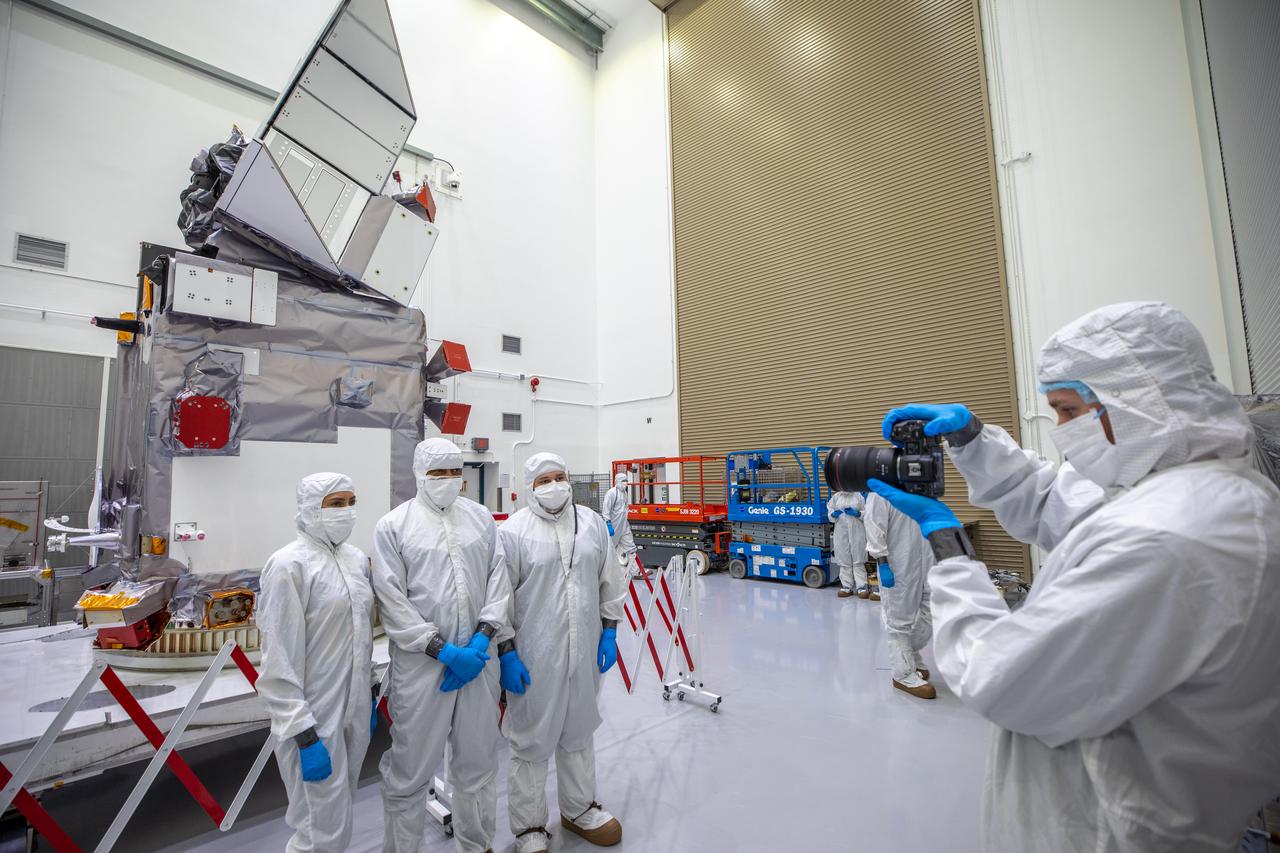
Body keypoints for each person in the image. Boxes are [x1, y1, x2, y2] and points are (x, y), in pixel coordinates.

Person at [871, 301, 1280, 851]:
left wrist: (950, 548)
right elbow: (1048, 503)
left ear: (1135, 403)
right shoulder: (1165, 483)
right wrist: (973, 440)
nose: (1061, 431)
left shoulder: (1174, 535)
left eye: (1066, 411)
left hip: (1115, 827)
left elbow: (1001, 676)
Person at [371, 437, 512, 853]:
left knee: (478, 763)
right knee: (410, 771)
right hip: (422, 670)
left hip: (479, 663)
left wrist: (481, 642)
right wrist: (444, 651)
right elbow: (392, 600)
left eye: (455, 472)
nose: (449, 481)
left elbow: (498, 581)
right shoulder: (394, 526)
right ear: (419, 475)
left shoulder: (481, 518)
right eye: (438, 473)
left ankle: (477, 845)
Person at [497, 453, 628, 853]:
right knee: (530, 739)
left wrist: (609, 632)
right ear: (530, 486)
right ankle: (529, 828)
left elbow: (611, 580)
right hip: (534, 656)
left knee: (579, 731)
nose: (553, 486)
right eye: (543, 480)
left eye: (559, 477)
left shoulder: (589, 524)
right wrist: (506, 652)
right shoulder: (513, 532)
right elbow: (499, 598)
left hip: (586, 650)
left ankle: (579, 810)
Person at [257, 473, 377, 853]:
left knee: (339, 813)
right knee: (316, 825)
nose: (346, 511)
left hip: (353, 708)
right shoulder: (288, 565)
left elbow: (361, 635)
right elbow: (279, 659)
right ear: (310, 509)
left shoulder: (355, 559)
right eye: (335, 504)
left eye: (350, 502)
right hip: (313, 718)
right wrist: (302, 733)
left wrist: (369, 693)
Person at [863, 490, 935, 699]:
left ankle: (909, 653)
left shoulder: (923, 486)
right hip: (899, 564)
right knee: (899, 620)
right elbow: (874, 528)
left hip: (928, 558)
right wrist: (882, 562)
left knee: (932, 610)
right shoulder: (882, 491)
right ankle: (902, 674)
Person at [828, 490, 875, 600]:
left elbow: (868, 512)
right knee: (844, 558)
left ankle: (861, 586)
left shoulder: (859, 496)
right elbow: (830, 512)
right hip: (841, 532)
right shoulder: (836, 497)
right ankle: (846, 586)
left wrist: (858, 513)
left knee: (858, 558)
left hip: (857, 531)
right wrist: (833, 514)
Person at [600, 472, 635, 568]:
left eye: (626, 480)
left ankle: (635, 570)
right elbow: (606, 510)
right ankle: (606, 571)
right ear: (618, 481)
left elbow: (625, 509)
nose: (626, 483)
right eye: (623, 481)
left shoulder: (625, 493)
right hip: (614, 526)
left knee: (631, 548)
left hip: (623, 525)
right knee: (610, 549)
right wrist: (608, 524)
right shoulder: (611, 493)